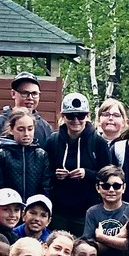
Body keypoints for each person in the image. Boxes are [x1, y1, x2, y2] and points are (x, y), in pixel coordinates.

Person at [44, 93, 109, 226]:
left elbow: (108, 175)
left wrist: (87, 174)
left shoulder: (98, 143)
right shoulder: (53, 141)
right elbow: (44, 173)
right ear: (63, 116)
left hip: (86, 210)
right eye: (70, 116)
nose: (75, 120)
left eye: (80, 116)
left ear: (88, 116)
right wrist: (56, 175)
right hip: (58, 211)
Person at [0, 107, 54, 206]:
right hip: (10, 209)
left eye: (30, 129)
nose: (26, 134)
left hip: (34, 210)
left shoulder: (41, 155)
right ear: (11, 130)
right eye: (21, 129)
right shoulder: (3, 154)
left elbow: (46, 186)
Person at [0, 75, 56, 151]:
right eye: (25, 93)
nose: (30, 98)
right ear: (13, 94)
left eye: (34, 93)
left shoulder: (46, 128)